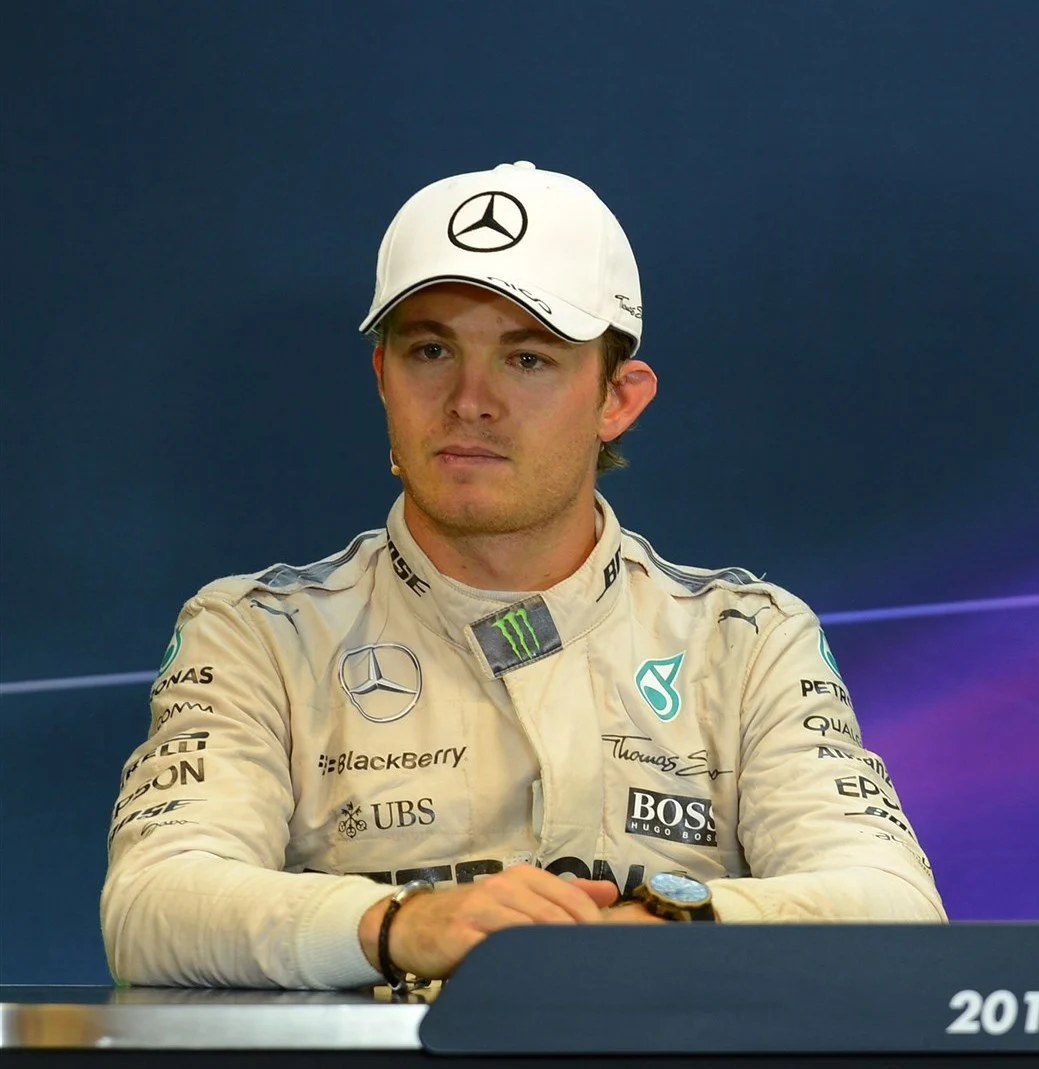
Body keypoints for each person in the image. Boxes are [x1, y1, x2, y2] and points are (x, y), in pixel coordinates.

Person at [104, 162, 942, 989]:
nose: (470, 399)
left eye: (528, 358)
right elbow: (152, 903)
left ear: (618, 398)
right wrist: (402, 923)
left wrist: (672, 923)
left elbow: (896, 906)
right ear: (383, 378)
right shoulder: (256, 631)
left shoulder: (748, 638)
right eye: (431, 350)